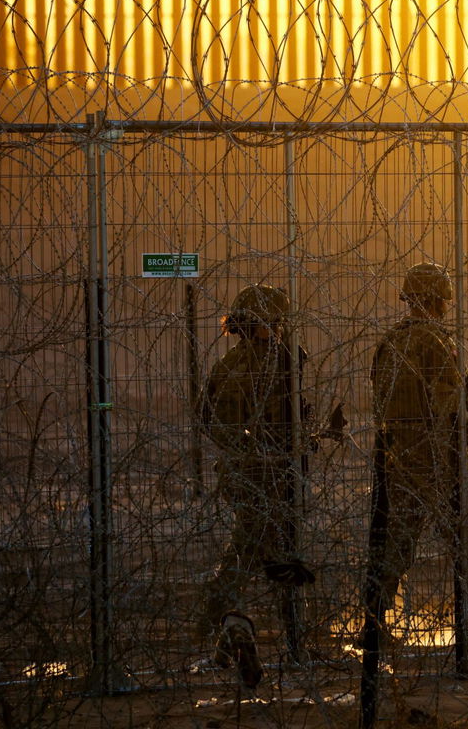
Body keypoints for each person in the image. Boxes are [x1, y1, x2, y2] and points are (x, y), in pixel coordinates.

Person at [366, 262, 468, 646]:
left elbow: (379, 399)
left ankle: (373, 623)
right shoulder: (434, 341)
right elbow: (448, 405)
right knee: (465, 538)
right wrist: (465, 438)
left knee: (399, 541)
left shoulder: (391, 341)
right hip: (435, 456)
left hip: (399, 454)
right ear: (439, 300)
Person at [196, 283, 316, 684]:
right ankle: (235, 630)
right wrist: (267, 453)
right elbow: (226, 427)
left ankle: (230, 638)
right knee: (260, 559)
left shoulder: (237, 366)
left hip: (262, 478)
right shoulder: (269, 366)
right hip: (266, 480)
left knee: (262, 558)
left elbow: (211, 422)